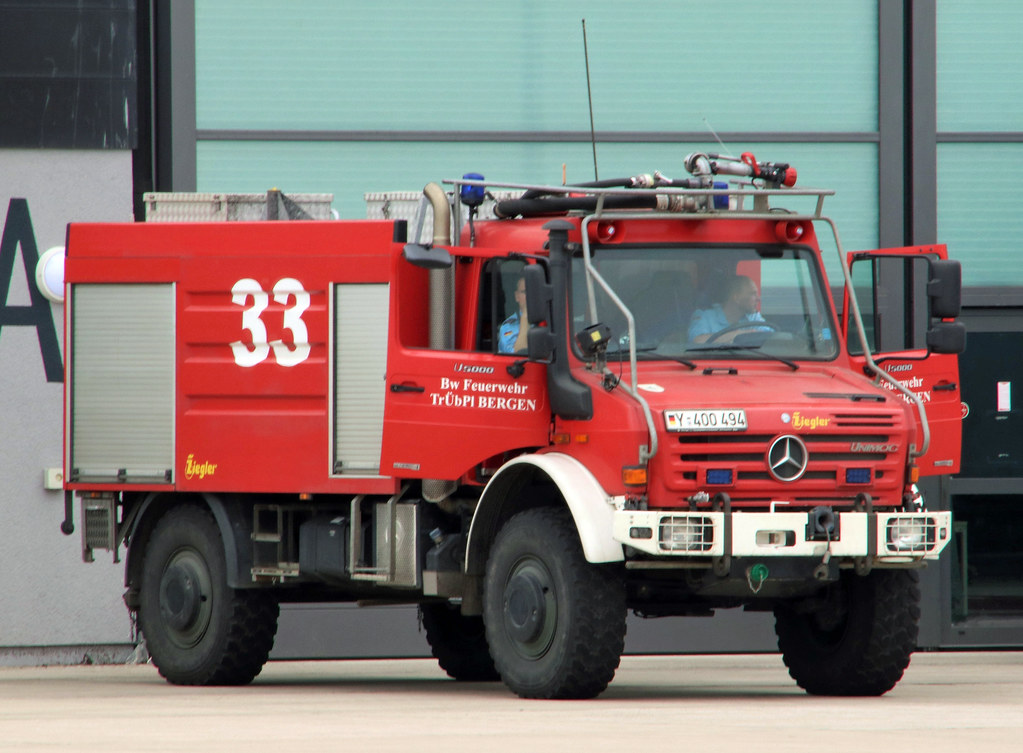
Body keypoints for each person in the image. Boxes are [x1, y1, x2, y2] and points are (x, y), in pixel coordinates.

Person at [688, 274, 766, 343]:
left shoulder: (753, 318)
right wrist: (739, 334)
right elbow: (697, 341)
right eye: (752, 294)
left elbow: (770, 338)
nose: (758, 299)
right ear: (737, 298)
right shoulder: (705, 316)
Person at [498, 276, 529, 354]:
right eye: (525, 292)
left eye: (533, 291)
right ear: (517, 296)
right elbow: (515, 357)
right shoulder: (509, 326)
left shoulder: (551, 318)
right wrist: (525, 316)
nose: (530, 296)